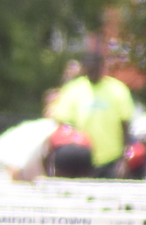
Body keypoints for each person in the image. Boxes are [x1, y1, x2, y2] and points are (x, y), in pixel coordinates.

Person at [49, 50, 135, 178]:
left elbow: (125, 127)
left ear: (102, 67)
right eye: (89, 69)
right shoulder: (73, 90)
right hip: (81, 159)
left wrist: (124, 159)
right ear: (84, 69)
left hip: (111, 158)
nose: (92, 73)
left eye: (95, 69)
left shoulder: (118, 90)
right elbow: (64, 126)